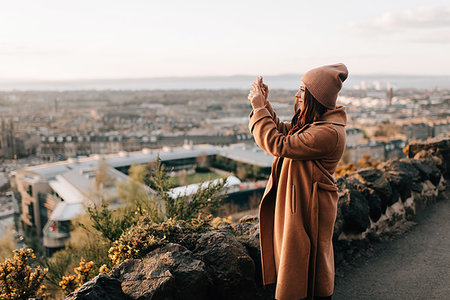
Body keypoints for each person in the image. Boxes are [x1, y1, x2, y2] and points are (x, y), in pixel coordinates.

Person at [247, 63, 348, 300]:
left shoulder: (328, 132)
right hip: (300, 201)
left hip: (309, 206)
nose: (297, 94)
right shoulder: (317, 124)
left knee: (309, 265)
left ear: (315, 97)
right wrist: (266, 106)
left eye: (303, 90)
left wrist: (260, 107)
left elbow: (279, 144)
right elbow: (285, 132)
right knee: (300, 262)